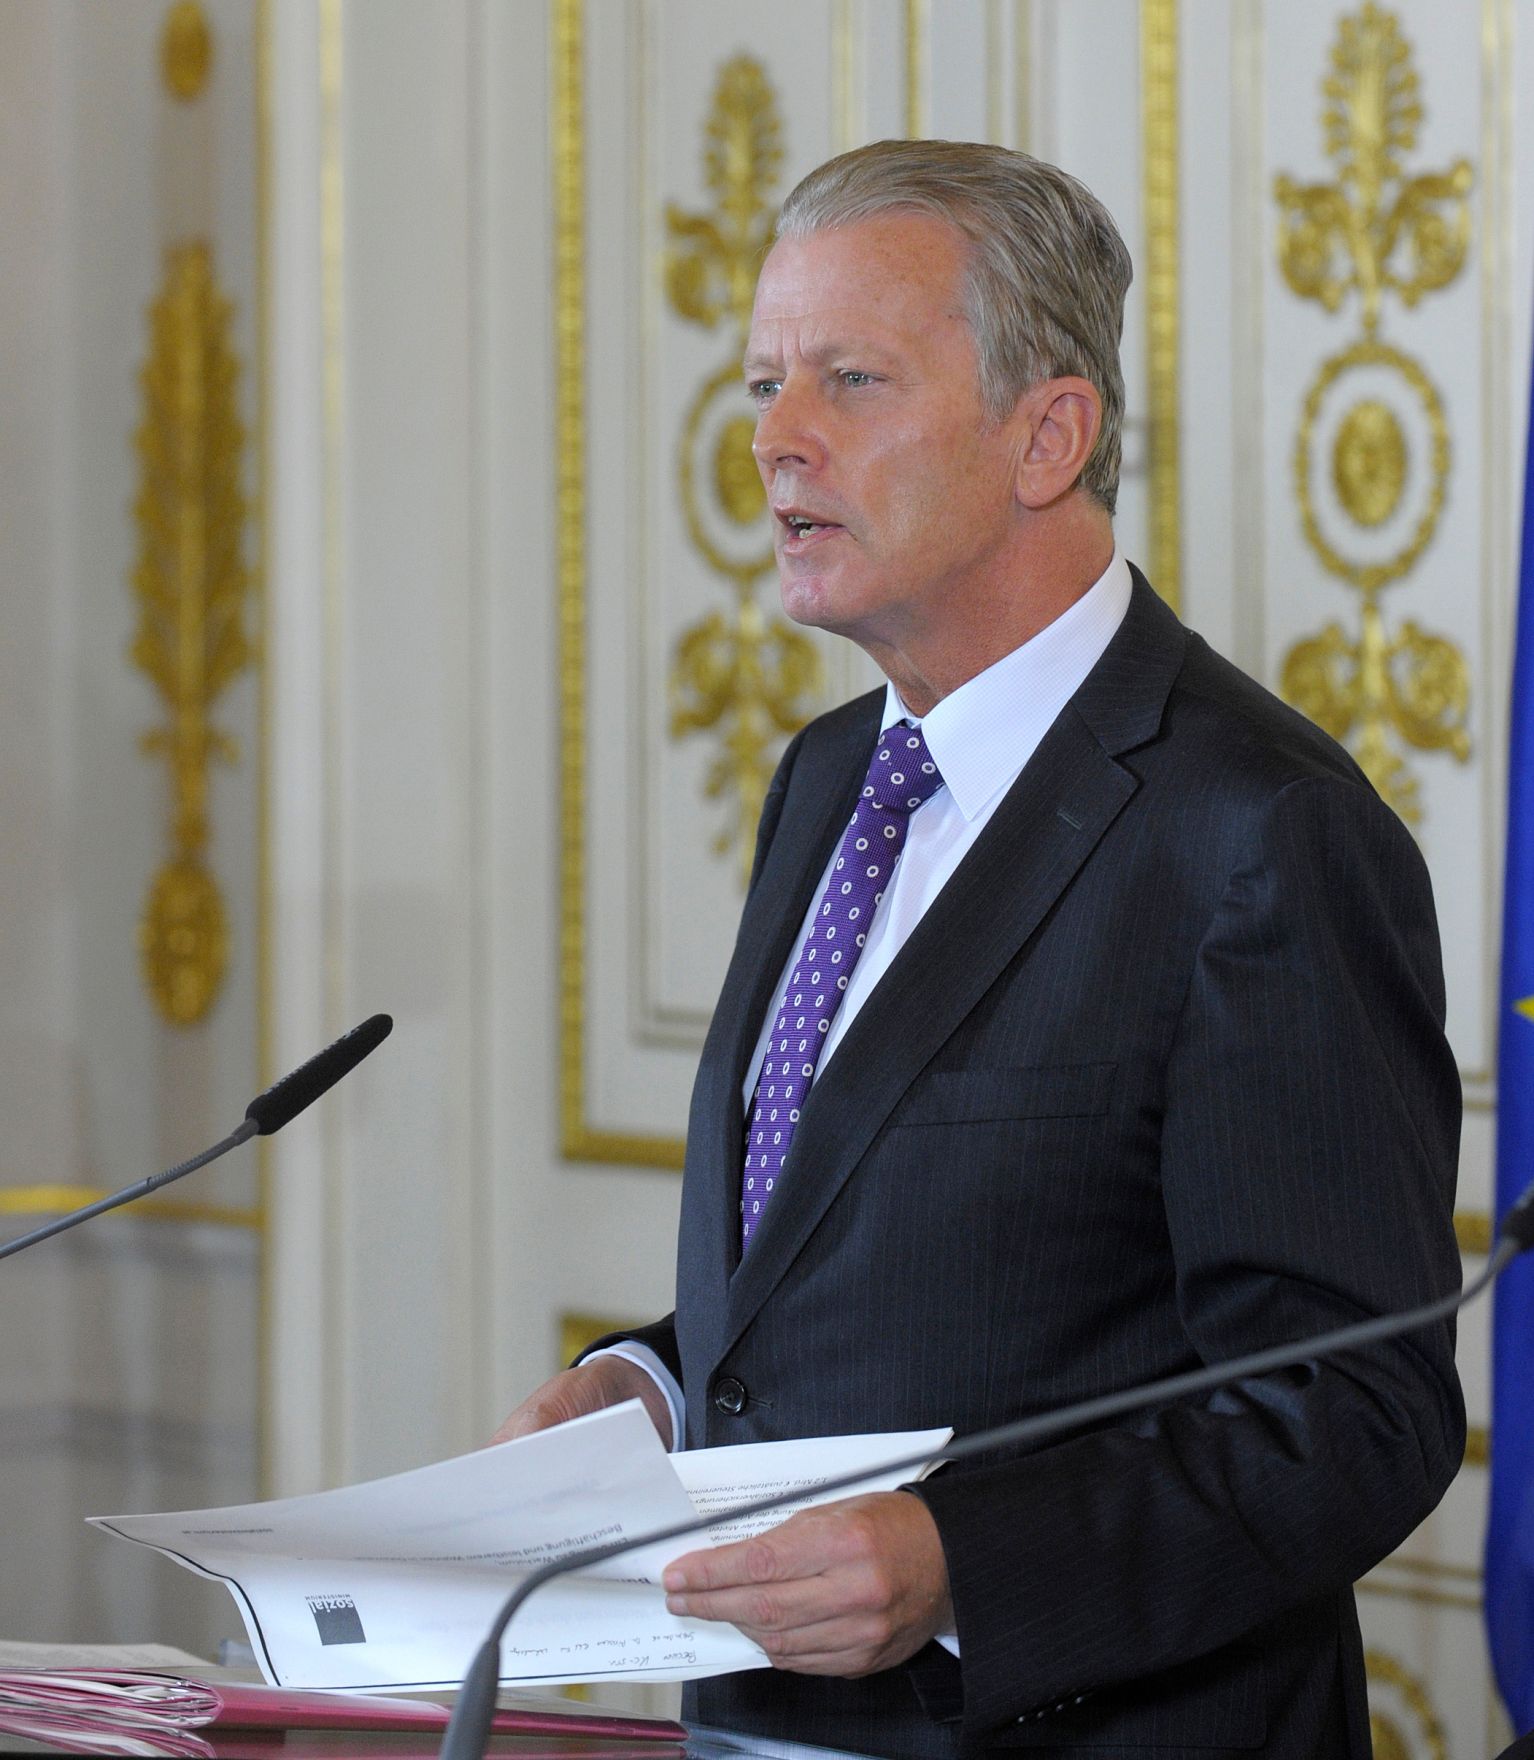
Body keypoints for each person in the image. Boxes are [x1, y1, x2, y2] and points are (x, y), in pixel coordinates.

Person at [497, 141, 1464, 1759]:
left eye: (850, 381)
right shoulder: (825, 779)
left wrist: (965, 1568)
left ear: (1048, 435)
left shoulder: (1258, 832)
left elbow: (1353, 1411)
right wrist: (649, 1389)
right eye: (759, 386)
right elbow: (880, 1264)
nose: (773, 441)